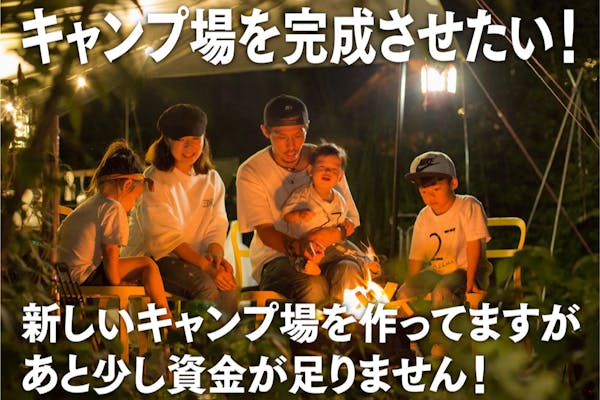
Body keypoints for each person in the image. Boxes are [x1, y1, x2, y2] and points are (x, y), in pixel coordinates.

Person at [236, 94, 367, 304]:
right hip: (277, 257)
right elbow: (265, 231)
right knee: (313, 285)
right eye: (281, 136)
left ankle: (347, 324)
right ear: (265, 131)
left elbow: (351, 216)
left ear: (307, 127)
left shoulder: (324, 160)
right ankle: (308, 326)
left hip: (330, 250)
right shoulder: (252, 171)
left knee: (350, 271)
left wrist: (335, 233)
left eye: (298, 134)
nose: (291, 145)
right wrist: (300, 246)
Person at [123, 104, 237, 315]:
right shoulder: (154, 179)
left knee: (229, 288)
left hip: (198, 259)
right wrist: (206, 267)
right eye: (182, 141)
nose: (189, 148)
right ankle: (196, 337)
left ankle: (222, 338)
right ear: (167, 141)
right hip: (155, 261)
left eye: (195, 140)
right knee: (205, 287)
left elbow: (217, 224)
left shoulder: (212, 179)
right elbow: (167, 238)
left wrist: (215, 257)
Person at [58, 141, 173, 321]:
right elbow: (110, 251)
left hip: (65, 276)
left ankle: (154, 320)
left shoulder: (93, 203)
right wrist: (116, 281)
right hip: (83, 275)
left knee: (139, 271)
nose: (133, 205)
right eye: (135, 198)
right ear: (127, 185)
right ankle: (166, 319)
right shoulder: (113, 208)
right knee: (147, 265)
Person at [395, 151, 492, 308]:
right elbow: (416, 256)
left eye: (436, 190)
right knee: (404, 292)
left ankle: (443, 324)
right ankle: (413, 323)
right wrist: (412, 283)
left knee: (442, 292)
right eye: (424, 192)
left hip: (466, 271)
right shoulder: (424, 216)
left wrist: (471, 280)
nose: (430, 197)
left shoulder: (468, 206)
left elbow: (474, 244)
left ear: (453, 184)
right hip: (437, 272)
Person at [280, 142, 380, 278]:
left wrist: (347, 223)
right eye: (322, 167)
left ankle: (365, 262)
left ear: (340, 176)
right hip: (308, 243)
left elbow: (341, 221)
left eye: (334, 170)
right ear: (310, 170)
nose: (327, 172)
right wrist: (298, 215)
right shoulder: (302, 195)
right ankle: (307, 266)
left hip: (331, 245)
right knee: (298, 253)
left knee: (348, 248)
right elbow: (285, 215)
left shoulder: (339, 200)